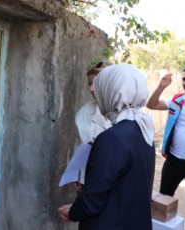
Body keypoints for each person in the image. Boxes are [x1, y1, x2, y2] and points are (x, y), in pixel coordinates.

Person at [58, 64, 156, 229]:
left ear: (111, 91)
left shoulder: (112, 138)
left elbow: (93, 199)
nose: (96, 92)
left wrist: (73, 212)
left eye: (101, 87)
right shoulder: (143, 130)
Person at [146, 64, 185, 230]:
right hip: (173, 161)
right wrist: (161, 86)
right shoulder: (177, 100)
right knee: (162, 201)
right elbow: (151, 105)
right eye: (184, 79)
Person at [73, 61, 112, 191]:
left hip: (115, 184)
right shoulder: (84, 113)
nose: (91, 89)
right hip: (89, 183)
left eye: (96, 84)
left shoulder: (128, 114)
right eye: (89, 84)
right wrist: (78, 175)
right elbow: (80, 146)